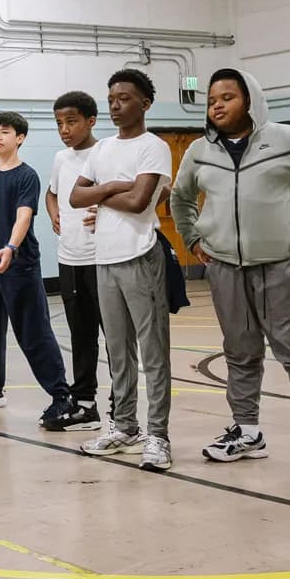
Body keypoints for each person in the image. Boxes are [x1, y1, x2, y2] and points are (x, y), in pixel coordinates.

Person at [170, 68, 290, 478]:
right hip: (224, 269)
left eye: (227, 97)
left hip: (280, 267)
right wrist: (193, 237)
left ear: (250, 100)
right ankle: (248, 432)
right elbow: (180, 198)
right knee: (239, 353)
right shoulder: (199, 150)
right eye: (211, 100)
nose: (217, 106)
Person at [72, 70, 175, 472]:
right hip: (104, 259)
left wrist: (103, 193)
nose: (116, 105)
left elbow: (138, 202)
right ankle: (125, 427)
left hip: (140, 256)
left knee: (153, 351)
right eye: (112, 98)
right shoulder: (101, 149)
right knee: (118, 351)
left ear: (145, 104)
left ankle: (159, 435)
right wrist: (115, 186)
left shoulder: (154, 147)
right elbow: (76, 195)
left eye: (125, 98)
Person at [0, 112, 74, 425]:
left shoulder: (27, 176)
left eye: (5, 132)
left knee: (33, 331)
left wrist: (10, 247)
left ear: (20, 138)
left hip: (19, 265)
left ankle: (60, 395)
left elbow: (24, 216)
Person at [45, 91, 105, 433]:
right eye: (59, 123)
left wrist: (106, 210)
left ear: (90, 121)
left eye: (71, 121)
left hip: (102, 258)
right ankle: (84, 404)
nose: (64, 129)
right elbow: (51, 192)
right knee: (81, 336)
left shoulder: (105, 153)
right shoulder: (60, 158)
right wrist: (53, 212)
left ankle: (122, 410)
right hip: (69, 259)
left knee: (115, 337)